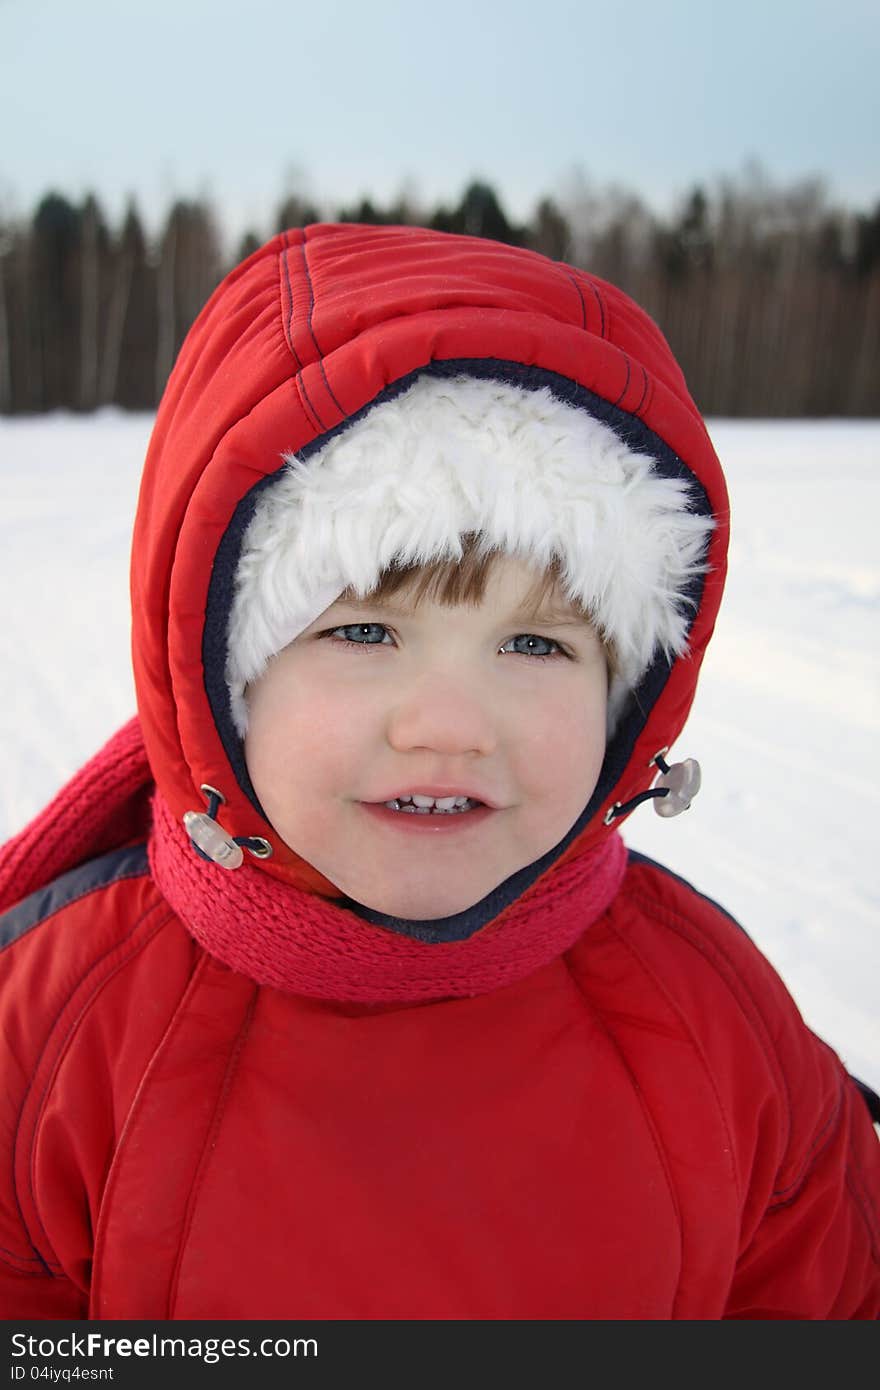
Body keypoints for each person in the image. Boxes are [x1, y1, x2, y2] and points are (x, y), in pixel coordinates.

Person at [0, 223, 877, 1321]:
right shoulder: (47, 1036)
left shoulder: (717, 1026)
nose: (451, 728)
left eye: (535, 645)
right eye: (366, 634)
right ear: (220, 678)